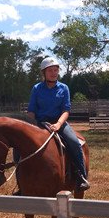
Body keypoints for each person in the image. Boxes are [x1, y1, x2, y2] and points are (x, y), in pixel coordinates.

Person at [25, 57, 90, 191]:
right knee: (20, 145)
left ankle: (81, 177)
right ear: (44, 72)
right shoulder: (37, 88)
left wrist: (58, 125)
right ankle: (22, 181)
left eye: (56, 70)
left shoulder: (64, 88)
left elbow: (66, 110)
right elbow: (31, 110)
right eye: (50, 70)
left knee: (74, 142)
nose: (54, 73)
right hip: (40, 124)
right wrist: (30, 126)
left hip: (59, 123)